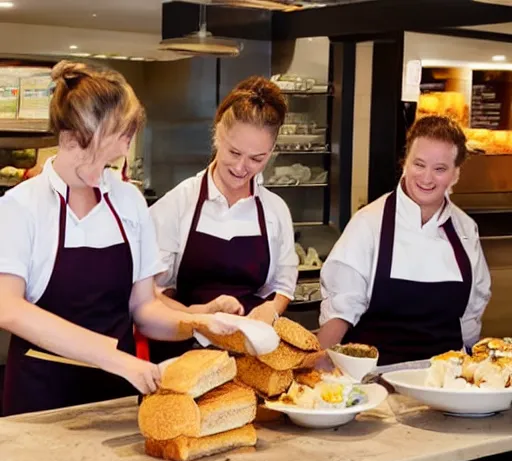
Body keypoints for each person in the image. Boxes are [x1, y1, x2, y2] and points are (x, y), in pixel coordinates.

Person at [0, 61, 232, 416]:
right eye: (122, 135)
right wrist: (115, 358)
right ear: (80, 133)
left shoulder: (128, 200)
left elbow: (145, 308)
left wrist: (200, 324)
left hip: (115, 398)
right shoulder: (22, 205)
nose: (126, 149)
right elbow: (9, 308)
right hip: (40, 401)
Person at [318, 115, 491, 365]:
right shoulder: (369, 223)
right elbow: (340, 312)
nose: (427, 178)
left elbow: (471, 315)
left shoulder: (465, 229)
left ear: (456, 174)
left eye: (440, 169)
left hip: (445, 380)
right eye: (419, 164)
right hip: (376, 381)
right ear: (405, 163)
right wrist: (317, 363)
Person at [149, 76, 298, 363]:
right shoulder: (178, 205)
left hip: (251, 356)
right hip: (184, 354)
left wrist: (272, 310)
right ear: (217, 133)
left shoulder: (275, 210)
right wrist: (199, 314)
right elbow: (147, 295)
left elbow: (282, 285)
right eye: (234, 152)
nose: (243, 168)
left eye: (257, 159)